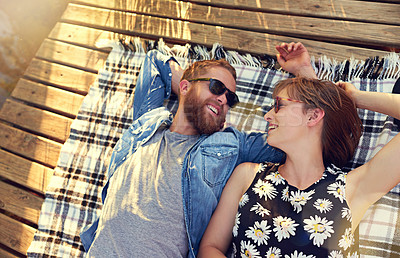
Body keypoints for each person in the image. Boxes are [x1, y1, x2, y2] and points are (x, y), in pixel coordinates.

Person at [79, 42, 317, 257]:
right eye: (216, 87)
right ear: (182, 86)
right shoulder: (147, 124)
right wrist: (191, 91)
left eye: (230, 99)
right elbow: (155, 60)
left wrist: (305, 73)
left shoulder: (230, 145)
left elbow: (303, 138)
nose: (224, 99)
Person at [198, 77, 400, 257]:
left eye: (279, 105)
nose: (268, 116)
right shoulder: (248, 176)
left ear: (313, 116)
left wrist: (356, 98)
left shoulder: (352, 189)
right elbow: (210, 247)